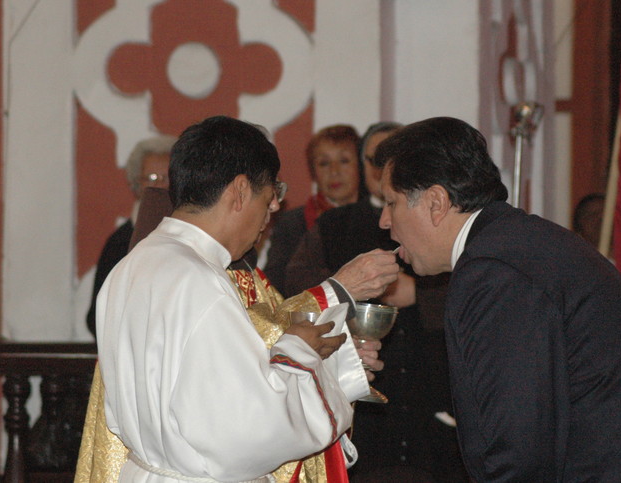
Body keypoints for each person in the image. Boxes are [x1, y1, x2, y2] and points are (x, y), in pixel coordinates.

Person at [374, 116, 621, 482]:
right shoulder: (513, 246)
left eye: (391, 203)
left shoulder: (494, 272)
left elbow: (518, 452)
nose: (383, 221)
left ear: (436, 202)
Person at [95, 116, 400, 481]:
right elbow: (247, 434)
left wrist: (330, 362)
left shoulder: (133, 265)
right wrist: (297, 355)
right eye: (271, 196)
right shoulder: (201, 282)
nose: (272, 210)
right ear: (240, 191)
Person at [286, 122, 466, 482]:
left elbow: (472, 289)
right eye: (372, 160)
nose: (381, 171)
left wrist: (419, 293)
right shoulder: (334, 224)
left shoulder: (438, 221)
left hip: (429, 399)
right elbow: (293, 289)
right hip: (359, 411)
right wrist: (350, 287)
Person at [86, 134, 177, 338]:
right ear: (136, 184)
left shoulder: (192, 236)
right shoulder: (120, 243)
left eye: (168, 177)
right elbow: (96, 317)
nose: (161, 186)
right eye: (152, 178)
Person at [265, 124, 361, 292]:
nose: (334, 171)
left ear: (360, 166)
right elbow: (274, 288)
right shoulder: (291, 223)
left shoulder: (378, 218)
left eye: (344, 161)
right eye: (324, 163)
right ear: (313, 172)